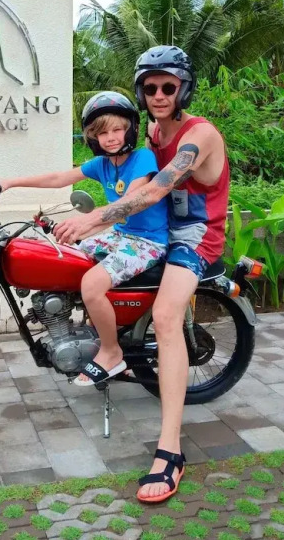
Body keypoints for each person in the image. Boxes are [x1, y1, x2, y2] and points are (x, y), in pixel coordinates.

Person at [54, 46, 229, 504]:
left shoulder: (199, 135)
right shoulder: (151, 131)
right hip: (156, 229)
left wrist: (94, 220)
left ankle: (170, 451)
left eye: (169, 86)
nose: (159, 94)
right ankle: (108, 343)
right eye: (150, 87)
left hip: (195, 235)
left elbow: (154, 190)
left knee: (168, 317)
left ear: (184, 88)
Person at [0, 91, 169, 386]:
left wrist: (87, 223)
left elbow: (131, 201)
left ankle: (111, 352)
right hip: (121, 236)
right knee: (64, 257)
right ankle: (93, 336)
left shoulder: (142, 158)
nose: (110, 138)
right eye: (102, 133)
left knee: (91, 284)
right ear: (93, 137)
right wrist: (10, 182)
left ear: (130, 129)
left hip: (147, 242)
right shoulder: (102, 164)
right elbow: (59, 178)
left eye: (117, 129)